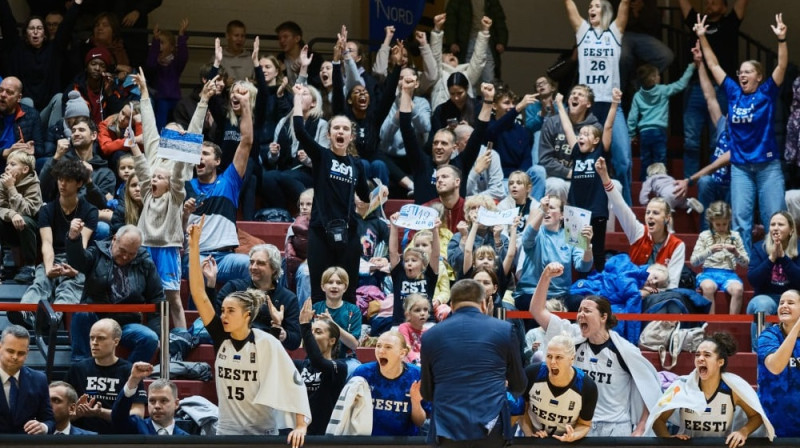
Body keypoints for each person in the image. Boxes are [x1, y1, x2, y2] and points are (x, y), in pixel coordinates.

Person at [187, 217, 311, 442]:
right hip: (227, 430)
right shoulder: (220, 334)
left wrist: (301, 425)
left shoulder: (267, 342)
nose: (223, 315)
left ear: (247, 315)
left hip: (262, 432)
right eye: (223, 311)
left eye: (229, 311)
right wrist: (194, 247)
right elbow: (198, 293)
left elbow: (293, 383)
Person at [529, 262, 662, 436]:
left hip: (616, 427)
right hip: (580, 425)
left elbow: (650, 388)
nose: (580, 314)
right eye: (579, 310)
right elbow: (536, 310)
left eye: (587, 310)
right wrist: (545, 277)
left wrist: (641, 426)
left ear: (603, 317)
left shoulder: (624, 350)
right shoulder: (573, 337)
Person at [694, 12, 788, 252]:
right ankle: (743, 269)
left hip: (768, 167)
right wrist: (703, 37)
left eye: (748, 72)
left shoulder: (767, 92)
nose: (742, 75)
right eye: (740, 72)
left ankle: (775, 265)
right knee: (740, 222)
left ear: (758, 76)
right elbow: (714, 65)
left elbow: (782, 66)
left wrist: (781, 40)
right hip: (741, 168)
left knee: (774, 221)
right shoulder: (734, 93)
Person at [421, 278, 526, 447]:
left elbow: (427, 392)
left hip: (446, 428)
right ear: (484, 304)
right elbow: (519, 385)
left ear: (452, 305)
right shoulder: (504, 330)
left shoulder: (430, 336)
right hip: (491, 427)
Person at [292, 84, 370, 303]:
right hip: (320, 231)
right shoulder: (322, 156)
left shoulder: (357, 164)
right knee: (319, 291)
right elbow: (300, 131)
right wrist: (298, 98)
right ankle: (318, 333)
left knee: (349, 290)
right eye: (336, 128)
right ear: (329, 134)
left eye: (345, 129)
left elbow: (365, 197)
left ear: (351, 136)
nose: (340, 132)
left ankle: (347, 334)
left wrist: (372, 198)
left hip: (349, 231)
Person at [128, 69, 187, 329]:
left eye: (175, 135)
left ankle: (182, 339)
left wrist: (185, 144)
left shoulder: (181, 165)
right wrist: (143, 92)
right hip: (146, 239)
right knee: (140, 293)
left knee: (171, 296)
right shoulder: (154, 159)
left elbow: (179, 171)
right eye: (168, 134)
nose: (169, 137)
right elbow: (150, 129)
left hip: (167, 239)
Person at [10, 158, 96, 329]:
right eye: (60, 179)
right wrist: (49, 268)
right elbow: (47, 243)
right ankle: (26, 312)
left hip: (78, 259)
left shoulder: (89, 210)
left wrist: (74, 269)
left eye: (68, 180)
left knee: (70, 285)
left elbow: (82, 244)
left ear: (79, 183)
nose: (62, 184)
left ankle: (53, 318)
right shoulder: (47, 209)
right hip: (53, 257)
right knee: (41, 280)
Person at [182, 85, 253, 285]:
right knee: (199, 270)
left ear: (218, 162)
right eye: (197, 154)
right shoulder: (185, 184)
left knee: (256, 265)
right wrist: (185, 214)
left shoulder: (229, 181)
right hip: (195, 256)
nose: (199, 158)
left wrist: (245, 105)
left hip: (226, 257)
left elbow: (246, 141)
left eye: (205, 154)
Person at [648, 332, 773, 444]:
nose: (700, 358)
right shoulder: (680, 386)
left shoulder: (733, 389)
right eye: (697, 355)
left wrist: (743, 432)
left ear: (720, 362)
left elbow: (757, 416)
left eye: (707, 355)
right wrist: (670, 441)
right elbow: (657, 419)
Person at [565, 0, 633, 205]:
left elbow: (625, 5)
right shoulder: (583, 31)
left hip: (613, 105)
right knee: (585, 159)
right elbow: (569, 7)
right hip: (590, 107)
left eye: (595, 5)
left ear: (605, 10)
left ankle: (625, 208)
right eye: (589, 7)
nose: (591, 9)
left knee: (623, 161)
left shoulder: (614, 32)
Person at [67, 225, 165, 364]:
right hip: (95, 319)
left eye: (131, 254)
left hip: (126, 323)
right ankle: (80, 366)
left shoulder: (145, 262)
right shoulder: (97, 251)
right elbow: (78, 262)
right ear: (114, 240)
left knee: (150, 338)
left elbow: (157, 298)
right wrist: (74, 239)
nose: (125, 256)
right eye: (122, 250)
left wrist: (159, 335)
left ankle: (128, 376)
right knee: (82, 312)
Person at [680, 0, 750, 178]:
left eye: (715, 1)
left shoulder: (730, 23)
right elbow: (684, 5)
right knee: (690, 142)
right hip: (696, 86)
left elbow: (742, 4)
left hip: (721, 88)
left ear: (724, 7)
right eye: (708, 1)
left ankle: (714, 181)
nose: (709, 3)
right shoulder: (697, 21)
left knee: (717, 140)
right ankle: (690, 184)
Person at [555, 87, 620, 271]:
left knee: (596, 250)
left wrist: (614, 103)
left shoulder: (601, 151)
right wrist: (560, 104)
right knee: (576, 249)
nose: (581, 136)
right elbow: (568, 127)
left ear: (596, 141)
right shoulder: (576, 151)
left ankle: (599, 281)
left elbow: (607, 126)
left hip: (596, 209)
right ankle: (577, 283)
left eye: (586, 134)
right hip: (576, 209)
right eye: (580, 134)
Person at [596, 156, 685, 289]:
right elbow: (620, 206)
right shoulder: (638, 232)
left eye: (655, 213)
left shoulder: (677, 245)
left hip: (660, 297)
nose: (650, 217)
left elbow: (672, 285)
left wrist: (650, 293)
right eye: (648, 212)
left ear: (667, 218)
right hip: (633, 291)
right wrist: (604, 177)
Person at [203, 244, 301, 350]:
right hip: (234, 350)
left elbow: (295, 341)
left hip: (267, 353)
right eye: (252, 262)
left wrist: (282, 333)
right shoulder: (234, 287)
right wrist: (211, 284)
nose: (253, 267)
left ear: (274, 268)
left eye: (260, 263)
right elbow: (213, 319)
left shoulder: (288, 298)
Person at [514, 194, 593, 315]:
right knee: (537, 307)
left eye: (551, 207)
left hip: (560, 295)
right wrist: (541, 210)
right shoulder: (537, 232)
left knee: (579, 303)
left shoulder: (572, 235)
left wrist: (587, 247)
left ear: (562, 215)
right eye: (545, 207)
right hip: (531, 292)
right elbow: (526, 240)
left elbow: (583, 266)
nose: (547, 211)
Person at [65, 318, 145, 434]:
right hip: (81, 437)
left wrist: (100, 412)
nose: (94, 343)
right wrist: (76, 413)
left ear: (116, 341)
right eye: (92, 338)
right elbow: (61, 415)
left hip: (118, 438)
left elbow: (138, 415)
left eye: (101, 338)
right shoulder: (77, 370)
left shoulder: (130, 371)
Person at [0, 0, 79, 110]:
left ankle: (53, 128)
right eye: (31, 28)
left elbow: (66, 27)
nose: (35, 32)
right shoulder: (18, 50)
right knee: (27, 101)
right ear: (26, 33)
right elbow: (7, 22)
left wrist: (76, 4)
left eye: (39, 28)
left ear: (45, 34)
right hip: (25, 111)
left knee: (59, 97)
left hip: (47, 112)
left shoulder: (53, 50)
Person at [519, 334, 597, 441]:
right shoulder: (532, 373)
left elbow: (584, 425)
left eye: (559, 357)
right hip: (536, 438)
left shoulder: (587, 386)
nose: (552, 362)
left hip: (566, 443)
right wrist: (531, 436)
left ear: (572, 359)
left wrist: (573, 436)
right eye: (549, 356)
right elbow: (522, 412)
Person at [351, 331, 428, 436]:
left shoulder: (417, 375)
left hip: (404, 441)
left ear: (402, 353)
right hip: (367, 440)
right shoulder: (362, 373)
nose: (381, 351)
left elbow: (420, 422)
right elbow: (349, 413)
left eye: (388, 347)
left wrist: (415, 402)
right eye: (378, 346)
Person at [627, 62, 695, 179]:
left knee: (645, 160)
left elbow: (632, 116)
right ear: (653, 78)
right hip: (659, 131)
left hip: (644, 133)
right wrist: (691, 67)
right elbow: (681, 84)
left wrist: (631, 133)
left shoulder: (638, 95)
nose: (660, 77)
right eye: (658, 75)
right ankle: (661, 182)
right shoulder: (663, 90)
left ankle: (644, 184)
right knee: (660, 160)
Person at [538, 84, 601, 203]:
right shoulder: (552, 123)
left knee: (614, 185)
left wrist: (580, 174)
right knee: (556, 185)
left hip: (584, 176)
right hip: (556, 176)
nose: (575, 96)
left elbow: (596, 159)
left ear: (588, 104)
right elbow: (545, 159)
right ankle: (556, 220)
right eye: (573, 94)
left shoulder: (595, 128)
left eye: (580, 94)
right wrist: (569, 173)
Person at [746, 211, 800, 350]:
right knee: (762, 305)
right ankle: (761, 355)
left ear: (791, 229)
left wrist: (783, 258)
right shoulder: (759, 248)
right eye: (772, 224)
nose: (775, 228)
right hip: (766, 297)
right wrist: (771, 259)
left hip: (795, 298)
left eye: (780, 224)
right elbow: (753, 280)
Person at [294, 299, 348, 435]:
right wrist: (276, 328)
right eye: (311, 331)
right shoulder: (299, 365)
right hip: (298, 433)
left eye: (318, 332)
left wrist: (305, 326)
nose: (311, 336)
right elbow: (276, 360)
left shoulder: (339, 367)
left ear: (332, 341)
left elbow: (319, 362)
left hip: (324, 436)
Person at [690, 201, 749, 314]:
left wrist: (736, 253)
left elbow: (746, 263)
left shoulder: (735, 236)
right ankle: (711, 324)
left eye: (724, 224)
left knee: (738, 289)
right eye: (718, 224)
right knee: (708, 287)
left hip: (729, 274)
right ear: (711, 221)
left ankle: (733, 324)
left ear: (729, 221)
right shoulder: (704, 235)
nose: (721, 228)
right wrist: (709, 251)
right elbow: (694, 262)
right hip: (708, 273)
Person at [757, 289, 800, 437]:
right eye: (781, 303)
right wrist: (797, 328)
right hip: (772, 427)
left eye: (791, 303)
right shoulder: (768, 336)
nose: (784, 306)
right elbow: (775, 367)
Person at [0, 325, 55, 434]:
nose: (15, 357)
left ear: (27, 352)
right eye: (10, 351)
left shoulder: (39, 379)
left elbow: (49, 420)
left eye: (21, 353)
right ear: (0, 347)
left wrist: (43, 427)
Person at [389, 212, 441, 324]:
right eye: (406, 260)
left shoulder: (429, 275)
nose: (409, 263)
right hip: (401, 323)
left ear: (423, 264)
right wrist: (394, 226)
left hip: (427, 323)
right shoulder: (399, 274)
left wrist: (435, 230)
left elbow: (436, 254)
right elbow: (393, 252)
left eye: (413, 260)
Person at [111, 362, 188, 435]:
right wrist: (133, 380)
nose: (157, 406)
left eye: (163, 401)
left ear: (176, 403)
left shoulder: (186, 440)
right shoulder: (137, 426)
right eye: (152, 401)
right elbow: (118, 418)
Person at [0, 150, 42, 284]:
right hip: (10, 222)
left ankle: (29, 267)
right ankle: (3, 265)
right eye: (7, 164)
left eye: (12, 164)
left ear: (25, 169)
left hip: (31, 227)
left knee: (25, 220)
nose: (7, 167)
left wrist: (11, 188)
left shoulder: (34, 184)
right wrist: (12, 214)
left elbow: (29, 210)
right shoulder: (2, 182)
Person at [443, 0, 508, 81]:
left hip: (487, 42)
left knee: (489, 79)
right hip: (467, 43)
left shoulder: (491, 2)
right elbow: (450, 21)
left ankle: (489, 93)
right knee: (467, 79)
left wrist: (501, 41)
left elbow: (499, 20)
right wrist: (451, 42)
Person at [146, 19, 189, 131]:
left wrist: (181, 37)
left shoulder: (175, 64)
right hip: (161, 99)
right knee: (161, 123)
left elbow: (183, 57)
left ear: (171, 47)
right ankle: (160, 142)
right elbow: (150, 64)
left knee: (179, 123)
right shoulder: (156, 64)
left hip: (176, 98)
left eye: (162, 43)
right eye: (158, 43)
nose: (159, 46)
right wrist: (155, 42)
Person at [0, 77, 43, 173]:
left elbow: (40, 148)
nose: (2, 95)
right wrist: (4, 152)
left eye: (9, 92)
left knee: (44, 162)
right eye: (1, 90)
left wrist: (31, 150)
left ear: (19, 98)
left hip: (18, 166)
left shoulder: (32, 115)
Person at [397, 294, 430, 365]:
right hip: (410, 363)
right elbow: (406, 347)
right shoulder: (404, 327)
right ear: (408, 314)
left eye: (425, 309)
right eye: (417, 310)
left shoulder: (428, 332)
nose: (422, 313)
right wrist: (415, 361)